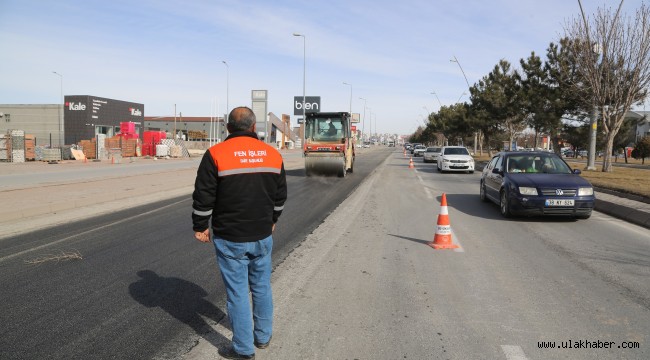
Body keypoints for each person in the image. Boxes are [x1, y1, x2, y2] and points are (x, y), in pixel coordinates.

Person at [192, 106, 287, 360]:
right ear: (254, 127)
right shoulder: (272, 155)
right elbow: (280, 198)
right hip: (262, 235)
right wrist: (273, 220)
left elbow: (204, 195)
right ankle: (263, 337)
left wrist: (200, 226)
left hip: (230, 237)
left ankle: (244, 350)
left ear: (228, 128)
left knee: (237, 294)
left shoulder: (215, 154)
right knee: (262, 287)